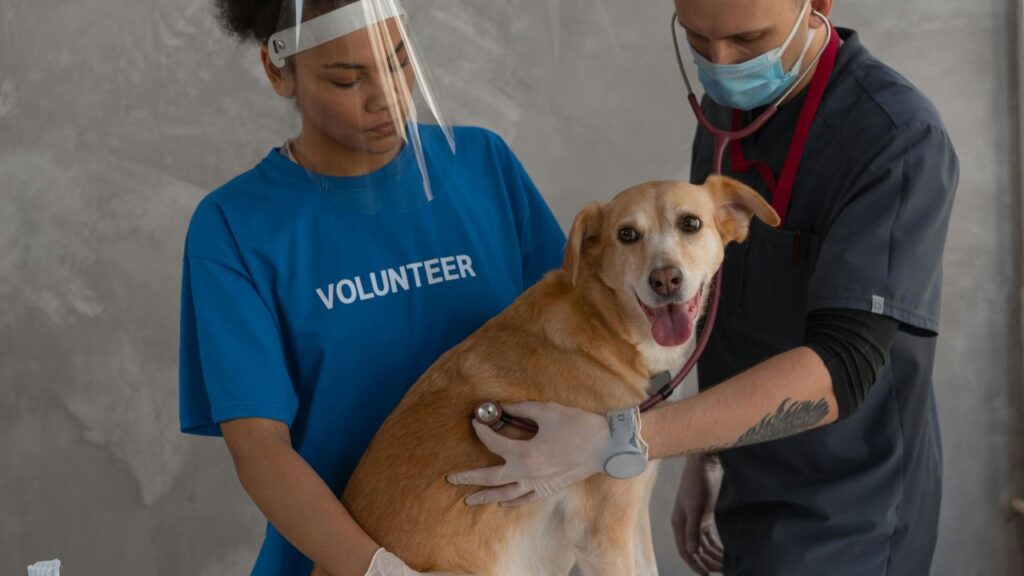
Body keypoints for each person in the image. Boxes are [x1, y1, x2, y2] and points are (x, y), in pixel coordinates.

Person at [448, 1, 959, 574]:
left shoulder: (896, 138)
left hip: (849, 512)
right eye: (697, 40)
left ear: (816, 5)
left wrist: (620, 439)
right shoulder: (730, 111)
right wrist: (705, 455)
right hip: (748, 488)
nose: (720, 63)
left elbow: (843, 365)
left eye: (747, 40)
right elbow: (716, 297)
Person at [177, 1, 565, 574]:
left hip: (510, 550)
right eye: (346, 78)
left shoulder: (483, 166)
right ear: (278, 70)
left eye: (399, 60)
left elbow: (579, 339)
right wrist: (379, 569)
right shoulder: (236, 227)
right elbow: (260, 449)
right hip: (341, 560)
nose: (386, 97)